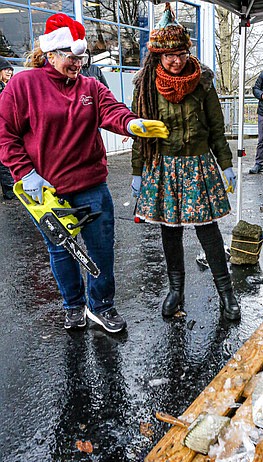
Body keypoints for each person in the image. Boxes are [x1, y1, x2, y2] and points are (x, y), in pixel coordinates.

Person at [0, 13, 168, 333]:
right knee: (61, 252)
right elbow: (5, 134)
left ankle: (101, 306)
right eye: (71, 57)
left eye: (81, 57)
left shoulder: (90, 86)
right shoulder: (24, 85)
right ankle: (73, 306)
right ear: (50, 54)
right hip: (47, 190)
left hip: (91, 185)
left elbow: (111, 110)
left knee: (102, 251)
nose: (78, 63)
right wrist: (25, 174)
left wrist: (132, 124)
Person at [130, 3, 240, 321]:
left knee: (208, 230)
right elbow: (141, 132)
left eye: (180, 54)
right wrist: (137, 171)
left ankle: (226, 293)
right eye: (168, 56)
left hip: (197, 164)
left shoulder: (203, 82)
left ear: (187, 52)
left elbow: (217, 128)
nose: (175, 61)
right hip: (162, 166)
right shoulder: (146, 86)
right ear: (158, 57)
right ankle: (175, 290)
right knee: (171, 231)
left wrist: (226, 163)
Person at [0, 56, 15, 200]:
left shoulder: (9, 86)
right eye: (5, 69)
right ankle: (9, 190)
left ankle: (10, 189)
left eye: (10, 69)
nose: (9, 72)